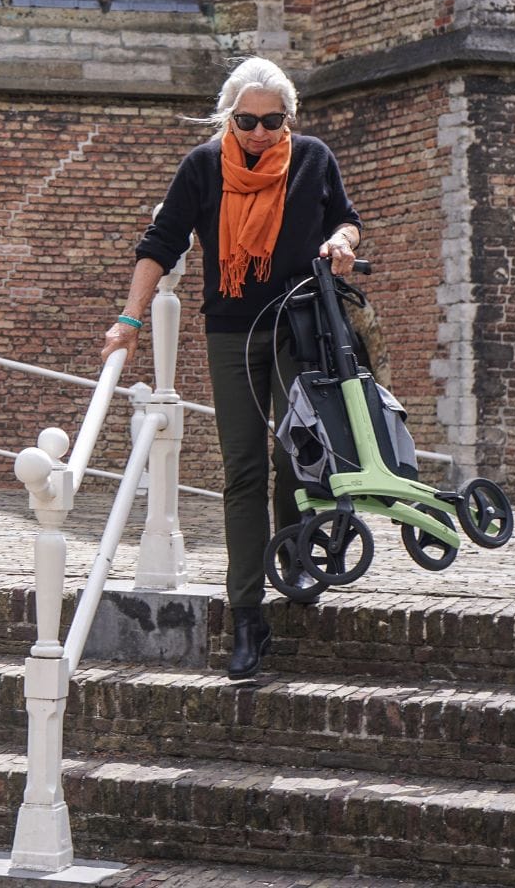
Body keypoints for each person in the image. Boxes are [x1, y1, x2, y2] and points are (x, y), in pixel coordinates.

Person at [101, 57, 362, 680]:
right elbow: (161, 244)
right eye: (246, 120)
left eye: (273, 121)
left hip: (299, 327)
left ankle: (296, 552)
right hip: (232, 332)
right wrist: (131, 321)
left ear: (288, 119)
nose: (259, 133)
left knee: (294, 454)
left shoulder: (313, 160)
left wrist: (344, 243)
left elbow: (345, 218)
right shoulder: (202, 166)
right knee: (242, 468)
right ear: (229, 115)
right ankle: (247, 616)